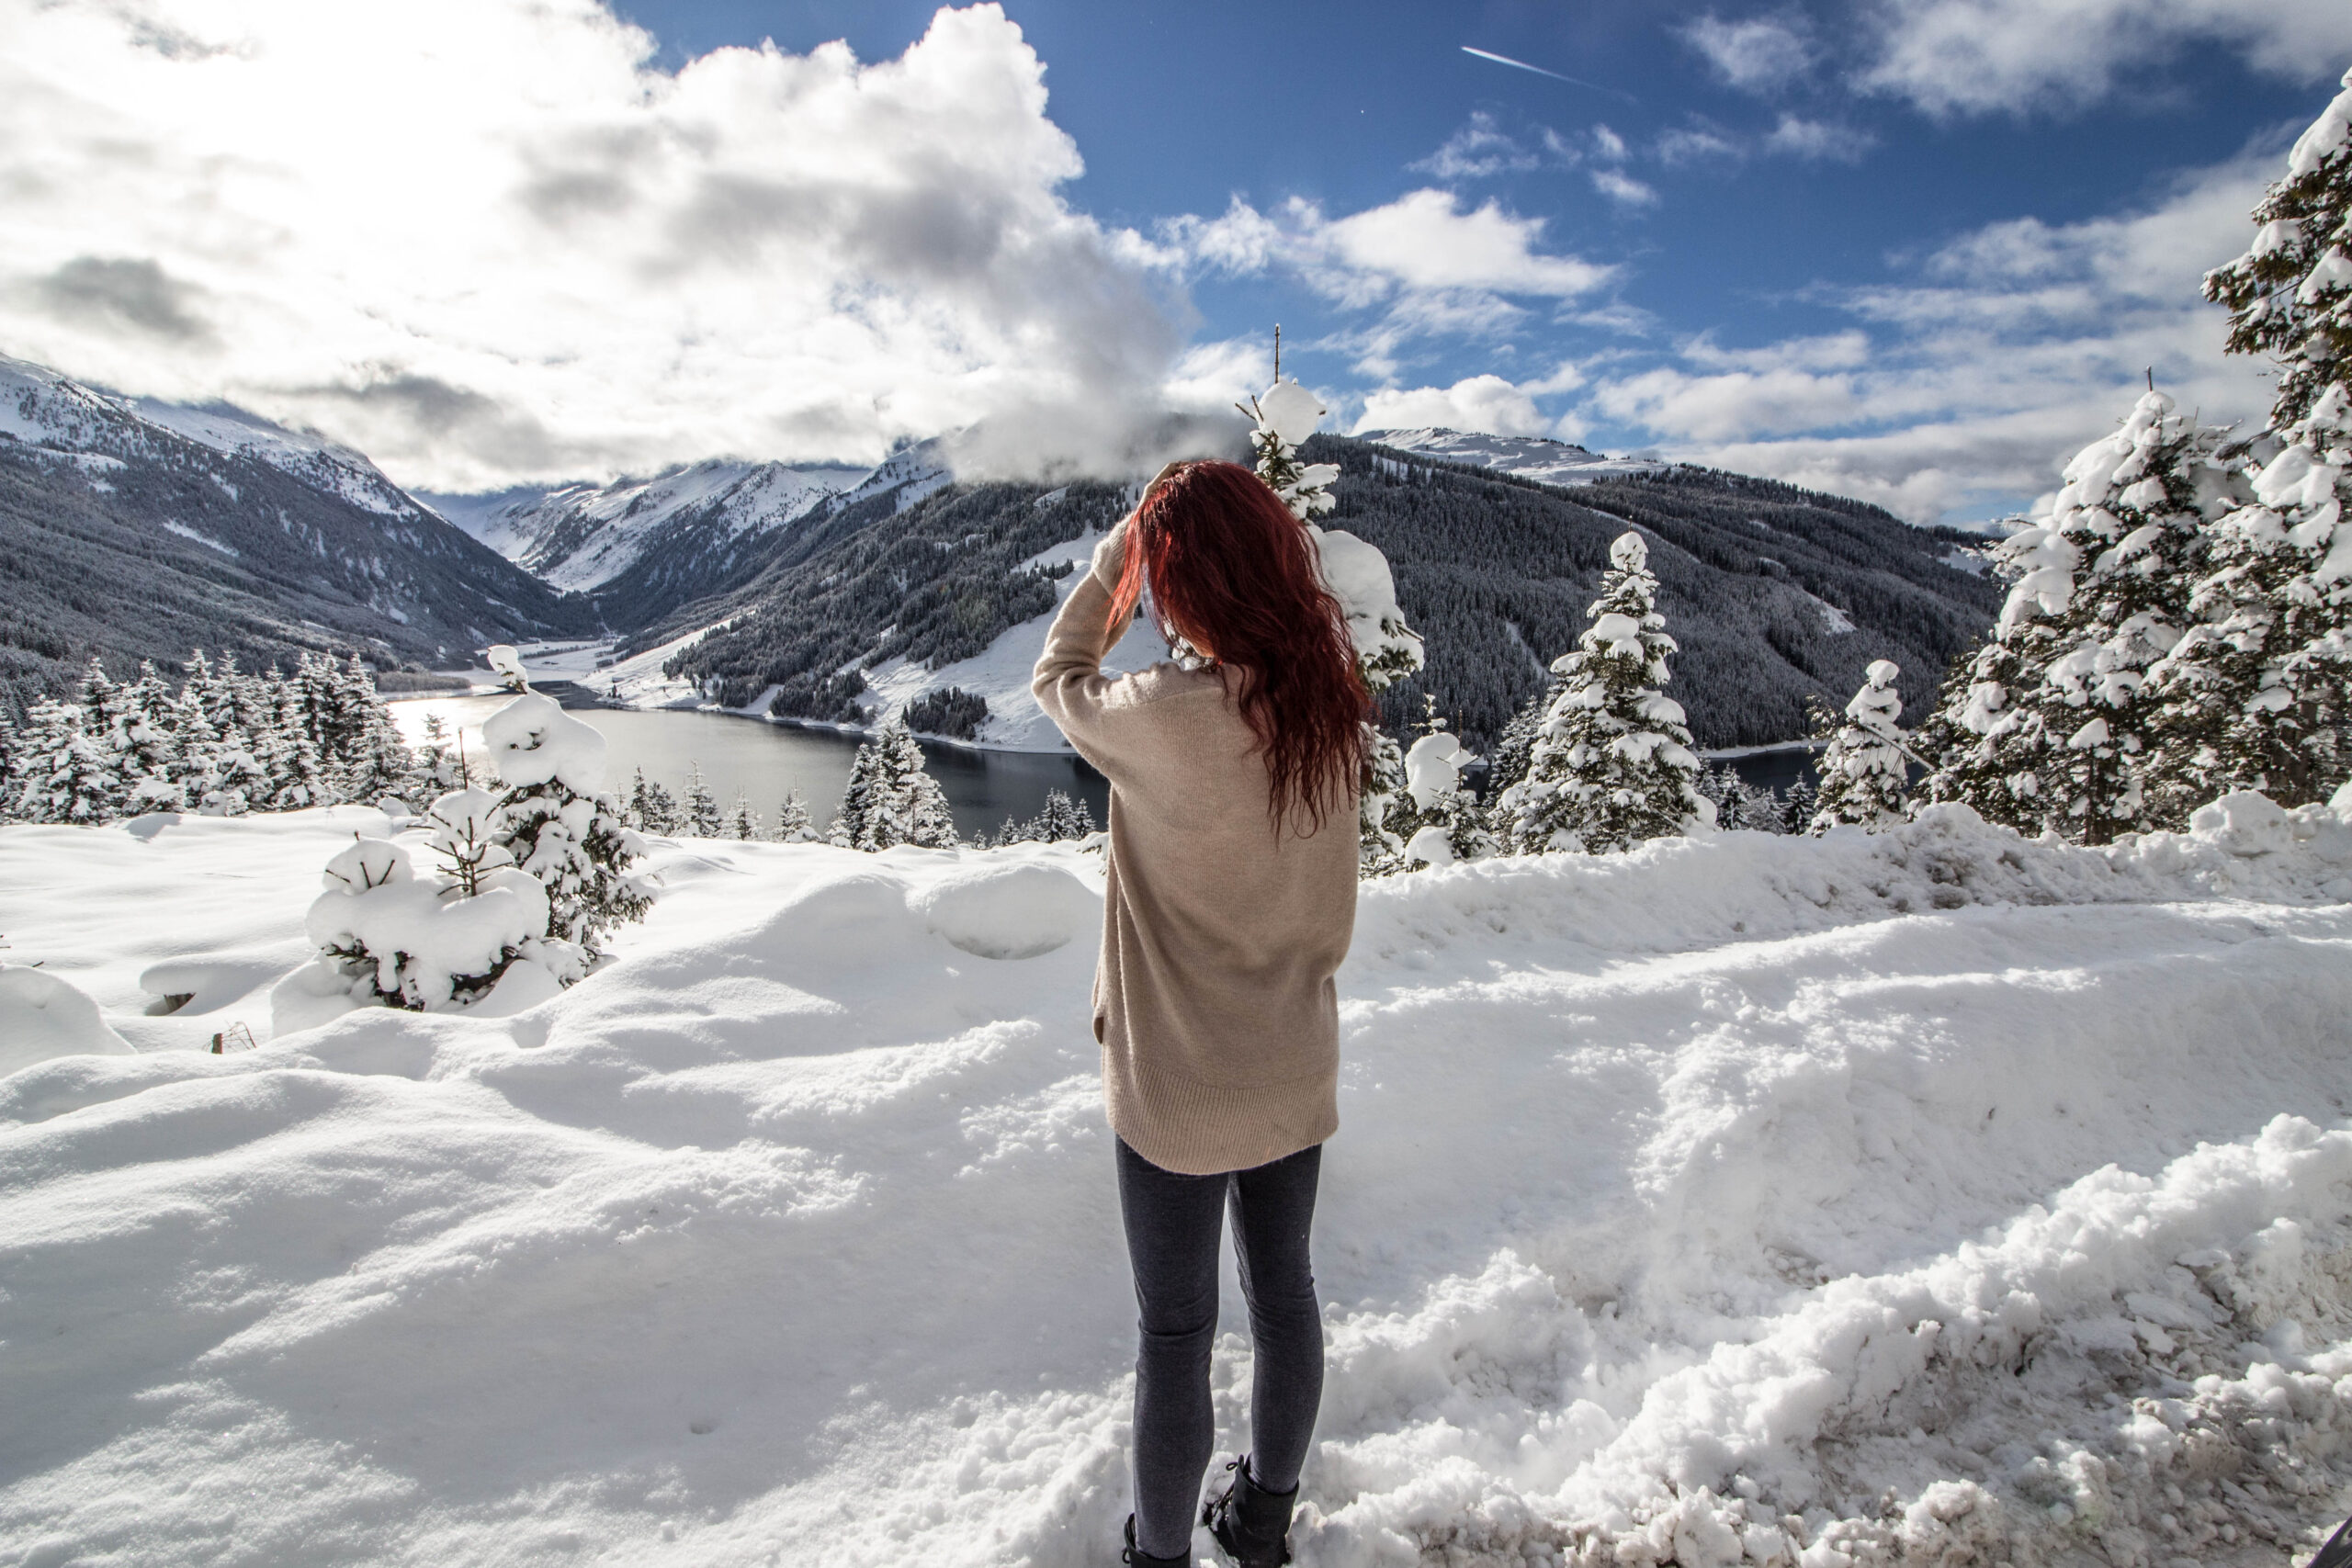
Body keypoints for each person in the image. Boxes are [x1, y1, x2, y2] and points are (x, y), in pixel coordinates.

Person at [1032, 459, 1370, 1567]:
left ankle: (1159, 1558)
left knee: (1175, 1338)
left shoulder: (1162, 719)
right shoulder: (1327, 706)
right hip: (1291, 1061)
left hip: (1174, 1086)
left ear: (1184, 588)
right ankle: (1261, 1525)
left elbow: (1058, 674)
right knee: (1287, 1300)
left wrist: (1114, 558)